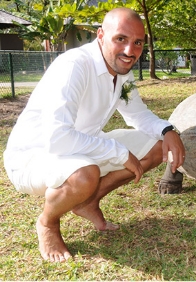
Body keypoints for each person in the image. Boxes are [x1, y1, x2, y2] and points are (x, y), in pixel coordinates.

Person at [3, 8, 185, 263]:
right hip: (34, 156)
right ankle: (48, 222)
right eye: (120, 39)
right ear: (101, 36)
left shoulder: (123, 72)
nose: (130, 51)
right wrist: (118, 152)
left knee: (156, 147)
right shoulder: (74, 66)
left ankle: (88, 202)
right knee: (85, 173)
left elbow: (137, 115)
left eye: (137, 43)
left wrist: (168, 130)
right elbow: (58, 138)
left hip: (81, 149)